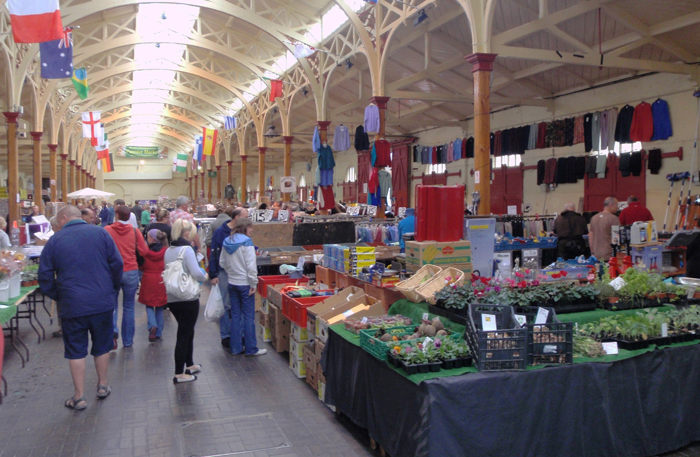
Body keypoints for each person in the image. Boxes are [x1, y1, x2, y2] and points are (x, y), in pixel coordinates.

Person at [38, 206, 123, 410]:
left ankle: (79, 396)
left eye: (57, 222)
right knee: (102, 345)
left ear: (64, 218)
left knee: (76, 350)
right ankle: (102, 385)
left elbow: (44, 276)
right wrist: (111, 289)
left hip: (72, 304)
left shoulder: (55, 240)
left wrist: (59, 295)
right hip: (101, 301)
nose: (57, 226)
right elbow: (117, 264)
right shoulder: (101, 233)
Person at [165, 219, 208, 382]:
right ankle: (178, 373)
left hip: (173, 297)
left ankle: (189, 364)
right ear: (187, 233)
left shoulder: (169, 249)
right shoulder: (187, 250)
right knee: (184, 333)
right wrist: (205, 276)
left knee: (187, 330)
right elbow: (196, 273)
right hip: (188, 297)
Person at [219, 218, 265, 357]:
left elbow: (222, 262)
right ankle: (251, 348)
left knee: (236, 316)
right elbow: (251, 266)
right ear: (244, 228)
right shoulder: (247, 243)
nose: (251, 230)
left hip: (232, 283)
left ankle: (236, 348)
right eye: (250, 228)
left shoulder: (227, 241)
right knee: (249, 317)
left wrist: (230, 272)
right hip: (245, 284)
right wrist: (253, 283)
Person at [105, 206, 149, 349]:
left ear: (116, 215)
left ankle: (112, 333)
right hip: (131, 270)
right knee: (129, 307)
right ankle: (128, 341)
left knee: (112, 305)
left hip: (113, 272)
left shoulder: (107, 230)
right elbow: (144, 251)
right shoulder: (135, 232)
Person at [210, 207, 249, 348]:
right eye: (246, 216)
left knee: (240, 304)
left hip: (239, 273)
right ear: (237, 217)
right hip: (224, 273)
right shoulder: (220, 232)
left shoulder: (244, 233)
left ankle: (241, 335)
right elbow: (214, 252)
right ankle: (226, 335)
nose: (248, 218)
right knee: (225, 304)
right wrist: (213, 274)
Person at [138, 229, 168, 342]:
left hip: (148, 279)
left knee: (149, 305)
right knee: (160, 306)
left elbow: (141, 266)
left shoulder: (145, 252)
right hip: (161, 279)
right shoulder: (166, 251)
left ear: (152, 239)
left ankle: (152, 325)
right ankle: (159, 332)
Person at [589, 197, 620, 261]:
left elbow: (591, 236)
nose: (617, 207)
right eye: (616, 205)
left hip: (596, 255)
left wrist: (592, 251)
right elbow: (616, 238)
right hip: (608, 254)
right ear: (611, 205)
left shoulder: (594, 218)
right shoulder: (614, 219)